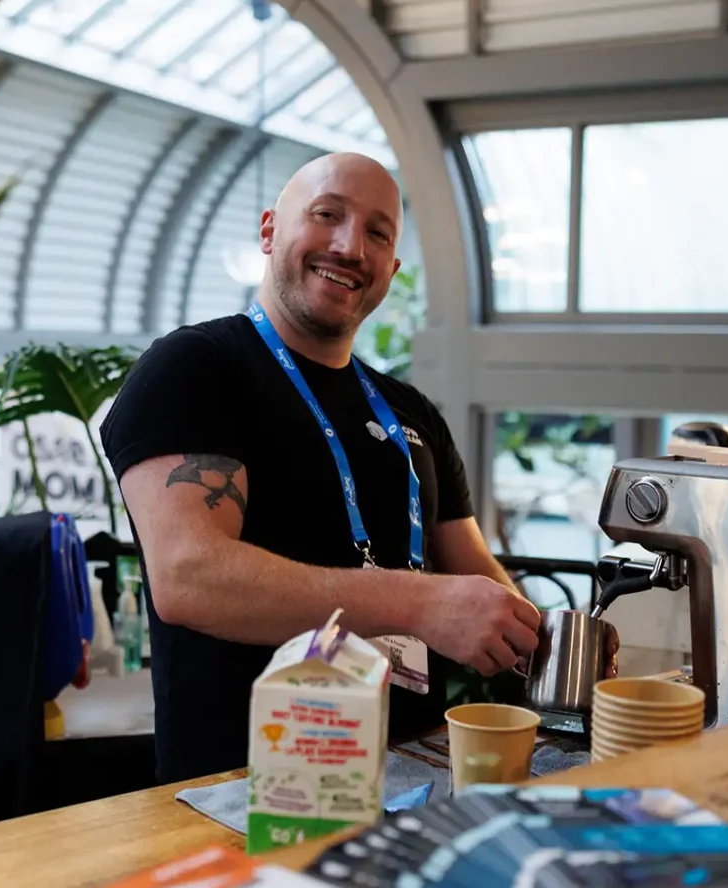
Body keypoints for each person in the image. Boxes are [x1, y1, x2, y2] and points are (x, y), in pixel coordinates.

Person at [101, 152, 541, 782]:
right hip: (242, 795)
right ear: (269, 230)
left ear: (391, 267)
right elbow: (190, 576)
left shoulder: (407, 410)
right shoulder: (194, 370)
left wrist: (546, 636)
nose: (349, 246)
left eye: (378, 233)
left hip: (413, 778)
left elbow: (476, 578)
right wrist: (415, 604)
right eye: (326, 215)